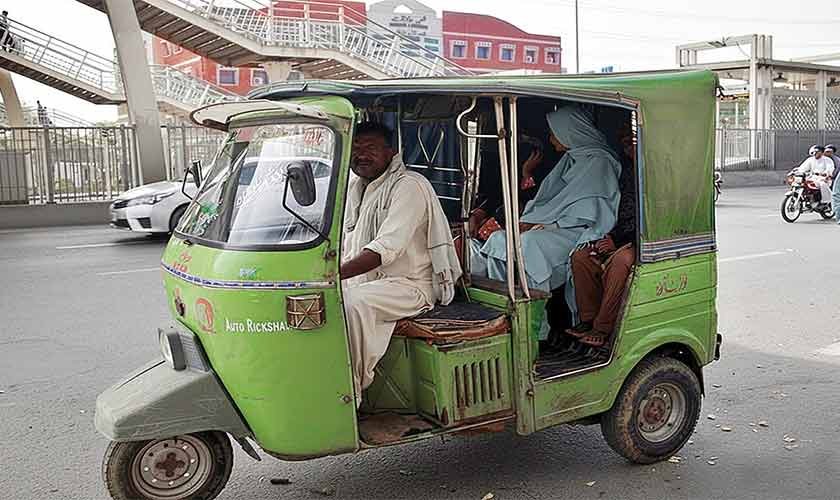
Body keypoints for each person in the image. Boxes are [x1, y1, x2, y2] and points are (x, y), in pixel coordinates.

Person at [341, 122, 462, 406]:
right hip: (369, 282)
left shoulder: (410, 186)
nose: (361, 155)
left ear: (391, 152)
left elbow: (386, 249)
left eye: (370, 148)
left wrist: (332, 275)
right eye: (355, 149)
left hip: (410, 286)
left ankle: (350, 392)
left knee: (352, 303)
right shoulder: (356, 187)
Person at [478, 104, 622, 339]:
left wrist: (541, 225)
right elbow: (550, 200)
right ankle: (504, 312)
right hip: (552, 225)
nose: (551, 139)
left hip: (580, 230)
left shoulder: (600, 162)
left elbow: (588, 212)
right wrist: (532, 221)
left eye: (554, 133)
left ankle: (535, 327)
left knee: (529, 244)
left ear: (569, 131)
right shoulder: (571, 158)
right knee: (499, 239)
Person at [565, 123, 636, 347]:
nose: (628, 148)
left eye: (631, 142)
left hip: (643, 238)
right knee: (581, 256)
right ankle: (588, 319)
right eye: (624, 142)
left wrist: (619, 241)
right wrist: (610, 236)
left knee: (622, 261)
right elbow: (619, 211)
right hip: (619, 234)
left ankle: (603, 327)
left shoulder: (659, 173)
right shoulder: (626, 170)